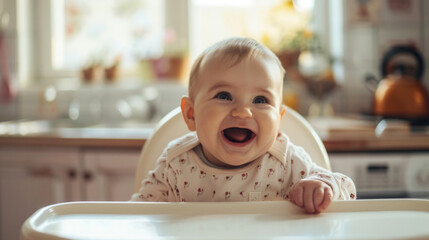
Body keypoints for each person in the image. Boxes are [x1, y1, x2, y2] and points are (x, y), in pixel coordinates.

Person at [131, 37, 356, 214]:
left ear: (278, 120)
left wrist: (320, 187)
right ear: (191, 114)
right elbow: (138, 216)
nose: (242, 111)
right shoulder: (176, 164)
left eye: (260, 100)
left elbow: (346, 190)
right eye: (224, 95)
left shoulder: (285, 162)